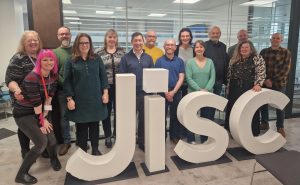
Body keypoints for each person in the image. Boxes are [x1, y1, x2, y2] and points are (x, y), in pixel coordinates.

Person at [13, 49, 61, 184]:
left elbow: (49, 97)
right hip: (24, 114)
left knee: (51, 139)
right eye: (45, 59)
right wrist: (42, 121)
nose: (49, 62)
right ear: (39, 61)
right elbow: (36, 104)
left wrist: (45, 115)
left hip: (40, 111)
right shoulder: (32, 77)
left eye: (51, 59)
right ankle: (21, 174)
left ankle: (53, 158)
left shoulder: (53, 76)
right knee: (41, 143)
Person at [64, 33, 109, 155]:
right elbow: (67, 81)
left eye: (86, 43)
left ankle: (95, 148)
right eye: (81, 43)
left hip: (95, 99)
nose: (84, 45)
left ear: (90, 44)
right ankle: (83, 151)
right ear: (77, 45)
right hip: (79, 100)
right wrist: (69, 99)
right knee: (81, 128)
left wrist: (105, 93)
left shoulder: (96, 58)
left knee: (95, 125)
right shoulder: (71, 61)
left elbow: (103, 77)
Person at [5, 31, 42, 159]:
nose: (33, 42)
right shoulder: (18, 58)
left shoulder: (41, 56)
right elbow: (10, 80)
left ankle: (41, 147)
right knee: (24, 127)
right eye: (29, 40)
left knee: (38, 123)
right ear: (23, 43)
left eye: (35, 40)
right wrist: (16, 90)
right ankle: (25, 151)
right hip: (23, 100)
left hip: (39, 99)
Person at [119, 32, 154, 151]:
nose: (138, 43)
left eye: (140, 40)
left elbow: (152, 76)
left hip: (145, 94)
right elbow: (122, 77)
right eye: (135, 40)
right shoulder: (125, 58)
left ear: (143, 42)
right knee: (129, 121)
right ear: (131, 42)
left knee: (143, 120)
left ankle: (141, 141)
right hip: (131, 96)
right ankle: (128, 143)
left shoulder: (148, 58)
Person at [225, 41, 266, 136]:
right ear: (239, 49)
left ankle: (252, 131)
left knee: (250, 109)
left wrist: (258, 84)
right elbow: (229, 75)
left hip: (250, 88)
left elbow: (261, 72)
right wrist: (228, 87)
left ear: (251, 49)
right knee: (234, 109)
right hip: (234, 88)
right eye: (242, 47)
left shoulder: (258, 58)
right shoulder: (233, 59)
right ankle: (233, 130)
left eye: (246, 47)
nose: (244, 49)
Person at [95, 29, 125, 148]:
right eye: (109, 37)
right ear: (105, 39)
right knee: (106, 113)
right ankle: (107, 136)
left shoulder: (123, 52)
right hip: (104, 88)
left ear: (116, 39)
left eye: (114, 37)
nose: (112, 39)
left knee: (119, 112)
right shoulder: (98, 52)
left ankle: (117, 134)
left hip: (120, 87)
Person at [259, 33, 291, 137]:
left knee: (280, 106)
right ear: (270, 39)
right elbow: (260, 68)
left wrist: (271, 80)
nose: (275, 40)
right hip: (265, 83)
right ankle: (264, 123)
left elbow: (285, 70)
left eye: (278, 38)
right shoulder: (264, 52)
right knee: (263, 104)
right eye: (273, 38)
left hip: (279, 84)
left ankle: (280, 127)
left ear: (281, 40)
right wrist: (265, 80)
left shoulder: (286, 52)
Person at [185, 40, 216, 143]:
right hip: (193, 94)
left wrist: (206, 89)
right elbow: (189, 78)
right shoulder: (190, 62)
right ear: (194, 49)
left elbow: (212, 77)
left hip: (207, 94)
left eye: (201, 47)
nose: (199, 49)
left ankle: (205, 139)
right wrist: (199, 89)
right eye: (197, 47)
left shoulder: (210, 61)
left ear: (204, 49)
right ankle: (191, 138)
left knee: (206, 118)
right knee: (191, 117)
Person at [155, 38, 185, 144]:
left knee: (175, 115)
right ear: (164, 47)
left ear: (175, 47)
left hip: (175, 92)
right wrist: (166, 92)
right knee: (161, 116)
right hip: (162, 93)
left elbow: (181, 77)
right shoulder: (159, 61)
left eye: (172, 45)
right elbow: (157, 78)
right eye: (167, 45)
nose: (170, 47)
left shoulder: (180, 61)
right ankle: (162, 136)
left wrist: (173, 92)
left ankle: (174, 136)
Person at [53, 26, 72, 156]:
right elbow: (54, 72)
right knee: (64, 117)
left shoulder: (76, 50)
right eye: (61, 34)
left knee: (81, 115)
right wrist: (66, 84)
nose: (64, 36)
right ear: (58, 37)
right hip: (63, 90)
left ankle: (83, 139)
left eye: (66, 34)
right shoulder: (54, 53)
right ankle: (66, 141)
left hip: (79, 90)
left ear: (70, 35)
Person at [204, 26, 229, 120]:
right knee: (205, 104)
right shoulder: (204, 45)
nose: (215, 35)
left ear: (220, 34)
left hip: (219, 81)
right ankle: (205, 123)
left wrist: (226, 82)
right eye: (213, 33)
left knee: (214, 104)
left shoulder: (223, 46)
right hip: (207, 82)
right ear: (209, 34)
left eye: (217, 33)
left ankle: (210, 122)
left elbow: (225, 63)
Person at [175, 27, 195, 98]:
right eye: (183, 36)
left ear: (190, 37)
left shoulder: (195, 49)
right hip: (177, 81)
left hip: (191, 82)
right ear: (180, 38)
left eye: (187, 36)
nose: (185, 38)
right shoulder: (175, 49)